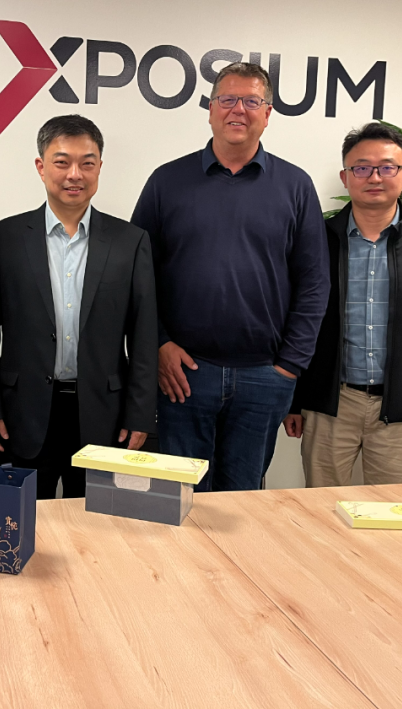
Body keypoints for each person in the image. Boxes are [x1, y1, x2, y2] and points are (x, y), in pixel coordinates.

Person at [131, 61, 329, 492]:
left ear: (268, 113)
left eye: (252, 101)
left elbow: (314, 281)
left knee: (244, 501)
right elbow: (137, 276)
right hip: (185, 374)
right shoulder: (167, 181)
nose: (238, 109)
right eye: (227, 99)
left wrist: (289, 366)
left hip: (264, 375)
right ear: (210, 109)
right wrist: (159, 343)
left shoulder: (296, 186)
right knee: (182, 498)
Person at [0, 115, 157, 499]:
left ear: (99, 167)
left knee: (93, 525)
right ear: (41, 167)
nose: (75, 174)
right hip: (22, 413)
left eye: (87, 163)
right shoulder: (3, 238)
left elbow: (143, 335)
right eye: (62, 162)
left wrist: (140, 413)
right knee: (21, 521)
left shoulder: (130, 241)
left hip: (103, 415)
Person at [284, 122, 402, 486]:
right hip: (331, 405)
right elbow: (296, 320)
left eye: (387, 167)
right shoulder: (320, 238)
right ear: (345, 177)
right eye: (362, 168)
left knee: (391, 512)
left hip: (401, 411)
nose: (375, 177)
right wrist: (295, 401)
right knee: (319, 507)